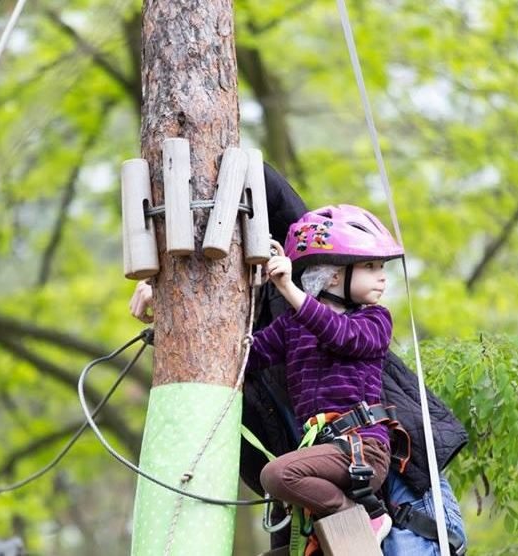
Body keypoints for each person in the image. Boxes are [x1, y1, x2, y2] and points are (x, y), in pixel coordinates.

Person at [128, 164, 467, 554]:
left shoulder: (342, 311)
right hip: (317, 513)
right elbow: (235, 356)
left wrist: (287, 286)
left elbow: (251, 175)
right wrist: (171, 302)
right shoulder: (250, 345)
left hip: (395, 498)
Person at [247, 204, 404, 546]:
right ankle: (350, 524)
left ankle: (363, 516)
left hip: (362, 450)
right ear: (334, 274)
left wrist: (289, 290)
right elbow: (247, 356)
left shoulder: (375, 320)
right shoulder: (292, 326)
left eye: (381, 267)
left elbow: (340, 335)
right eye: (370, 266)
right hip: (324, 454)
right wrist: (165, 328)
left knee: (277, 475)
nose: (382, 276)